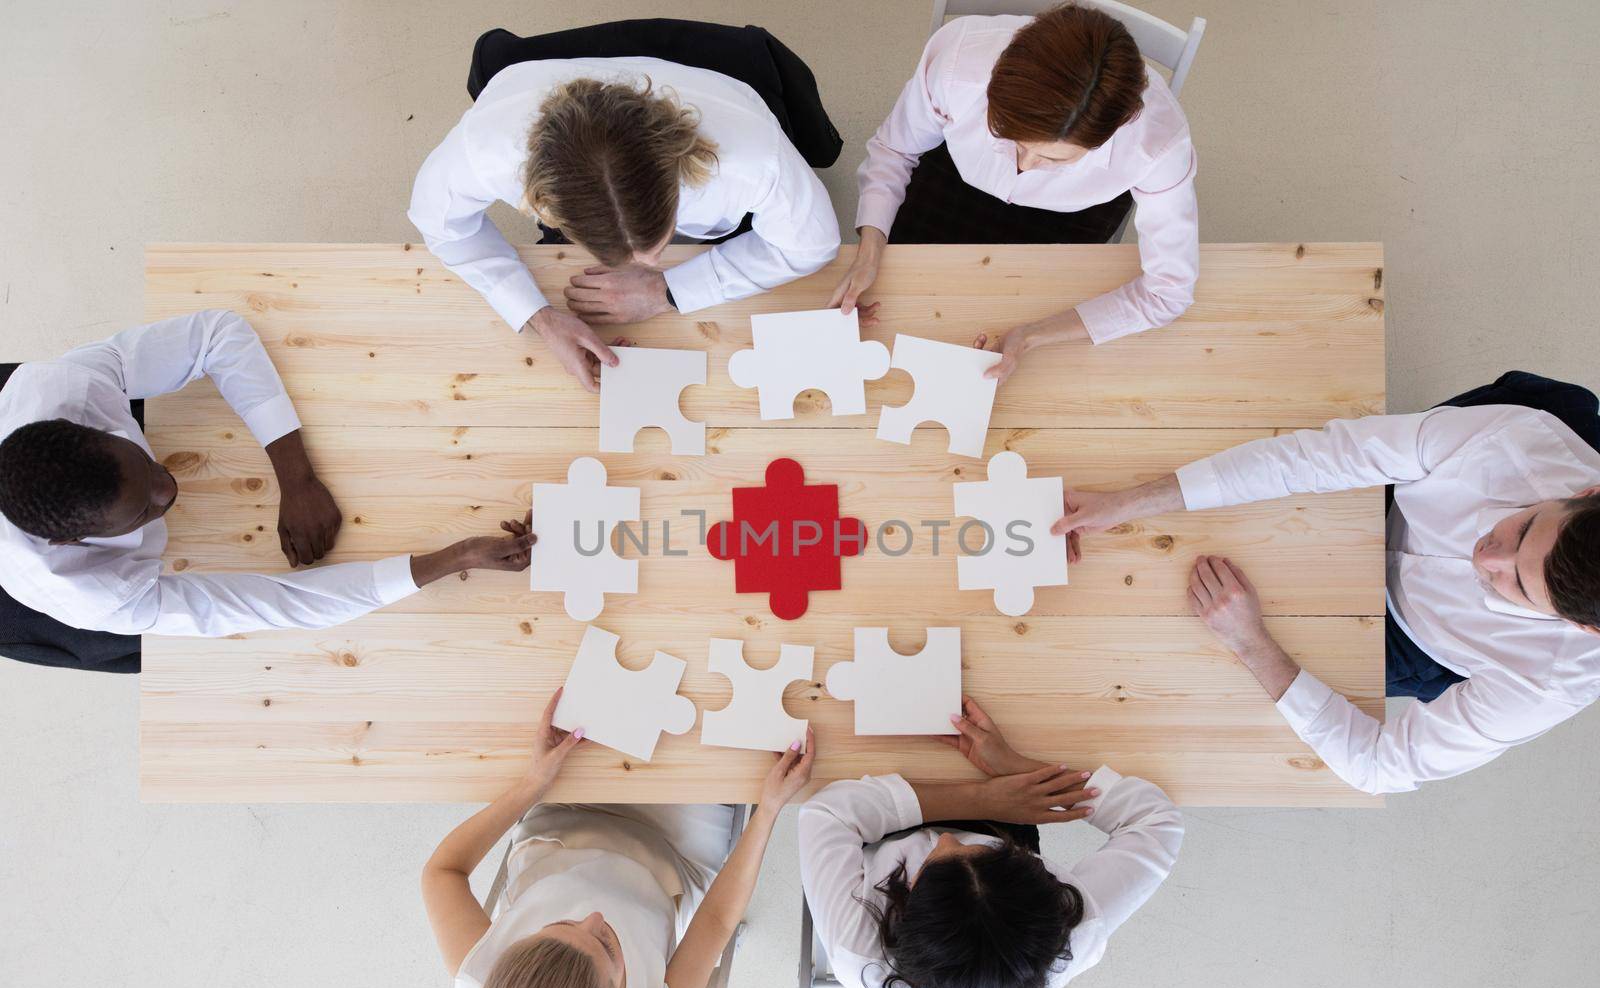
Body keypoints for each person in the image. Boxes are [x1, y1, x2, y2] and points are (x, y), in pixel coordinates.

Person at [1054, 401, 1600, 795]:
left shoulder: (1546, 683)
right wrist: (1128, 503)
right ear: (1586, 493)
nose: (1487, 559)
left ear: (1582, 629)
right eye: (1525, 528)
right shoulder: (1518, 441)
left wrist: (1253, 644)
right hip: (1408, 492)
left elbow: (1382, 767)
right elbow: (1314, 457)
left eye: (1519, 585)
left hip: (1411, 638)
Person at [0, 311, 535, 640]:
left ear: (86, 427)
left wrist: (296, 477)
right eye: (142, 511)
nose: (169, 489)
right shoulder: (93, 593)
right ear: (72, 540)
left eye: (142, 460)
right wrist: (455, 557)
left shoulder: (67, 388)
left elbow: (218, 333)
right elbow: (280, 604)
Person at [423, 690, 814, 988]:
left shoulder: (479, 973)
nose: (593, 917)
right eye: (606, 944)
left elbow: (442, 872)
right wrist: (769, 810)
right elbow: (715, 921)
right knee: (721, 724)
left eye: (559, 924)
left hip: (565, 812)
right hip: (674, 852)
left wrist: (534, 784)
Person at [409, 58, 842, 392]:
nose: (643, 263)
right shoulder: (486, 147)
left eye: (658, 242)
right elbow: (440, 223)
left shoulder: (750, 157)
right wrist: (538, 317)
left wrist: (667, 289)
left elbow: (812, 245)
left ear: (678, 173)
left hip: (719, 78)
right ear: (546, 204)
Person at [829, 4, 1199, 384]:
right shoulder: (959, 61)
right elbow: (895, 149)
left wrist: (1030, 336)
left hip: (1072, 214)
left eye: (1053, 158)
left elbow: (1168, 292)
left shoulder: (1158, 144)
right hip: (955, 175)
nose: (1026, 164)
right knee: (900, 304)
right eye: (1012, 139)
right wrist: (867, 253)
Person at [799, 696, 1182, 988]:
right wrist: (1018, 768)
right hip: (1002, 817)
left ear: (906, 904)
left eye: (931, 862)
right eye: (985, 851)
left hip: (887, 830)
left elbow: (826, 814)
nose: (947, 840)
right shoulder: (1074, 927)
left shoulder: (861, 955)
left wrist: (983, 798)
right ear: (1042, 882)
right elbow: (1156, 825)